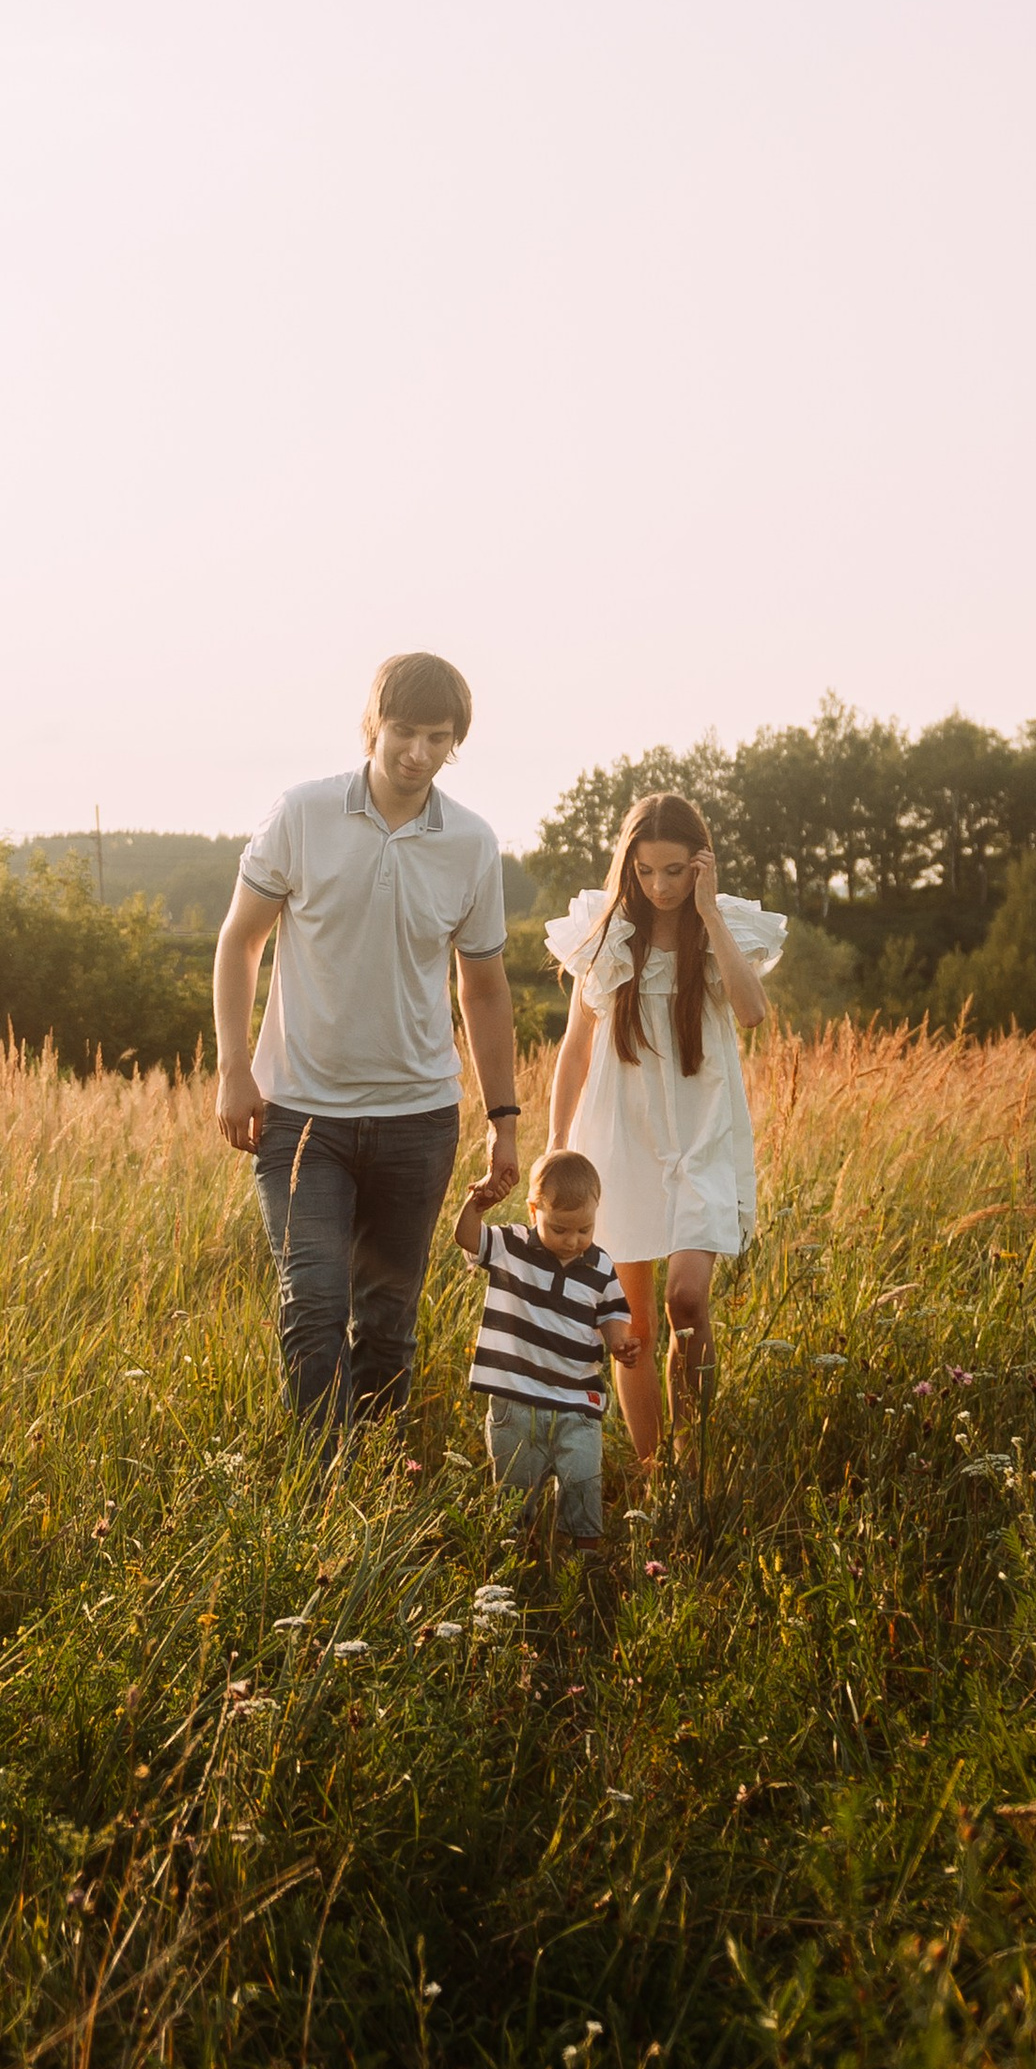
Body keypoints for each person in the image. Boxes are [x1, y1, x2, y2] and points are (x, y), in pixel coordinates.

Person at [214, 652, 519, 1439]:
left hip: (417, 1121)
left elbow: (483, 988)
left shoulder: (473, 844)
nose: (417, 752)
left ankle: (381, 1480)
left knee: (387, 1323)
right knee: (313, 1303)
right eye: (404, 732)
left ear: (456, 742)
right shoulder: (302, 813)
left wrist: (504, 1118)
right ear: (372, 725)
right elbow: (240, 940)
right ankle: (323, 1499)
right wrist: (233, 1067)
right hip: (299, 1117)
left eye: (438, 737)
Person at [541, 792, 785, 1463]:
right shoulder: (607, 932)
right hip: (620, 1138)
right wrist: (559, 1143)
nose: (660, 885)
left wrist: (709, 912)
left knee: (687, 1298)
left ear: (700, 863)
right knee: (634, 1326)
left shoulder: (719, 928)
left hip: (700, 1135)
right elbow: (574, 1046)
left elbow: (754, 1011)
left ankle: (694, 1459)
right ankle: (658, 1480)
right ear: (630, 866)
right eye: (647, 871)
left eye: (675, 870)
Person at [453, 1142, 640, 1552]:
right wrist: (477, 1205)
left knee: (583, 1493)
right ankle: (513, 1568)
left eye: (584, 1229)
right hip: (515, 1404)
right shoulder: (511, 1246)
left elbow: (612, 1315)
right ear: (534, 1211)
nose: (574, 1240)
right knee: (513, 1508)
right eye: (560, 1229)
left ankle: (583, 1572)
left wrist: (619, 1344)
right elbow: (466, 1237)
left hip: (577, 1404)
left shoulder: (600, 1266)